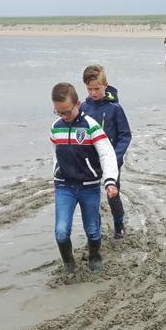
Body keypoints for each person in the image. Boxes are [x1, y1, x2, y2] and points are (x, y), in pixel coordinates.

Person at [49, 82, 119, 273]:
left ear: (78, 104)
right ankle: (68, 262)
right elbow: (56, 155)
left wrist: (110, 181)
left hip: (89, 186)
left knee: (93, 229)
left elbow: (107, 154)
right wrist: (55, 177)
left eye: (67, 112)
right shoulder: (56, 128)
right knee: (61, 231)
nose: (64, 116)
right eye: (58, 112)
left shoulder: (91, 126)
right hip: (64, 186)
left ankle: (95, 255)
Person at [80, 64, 132, 239]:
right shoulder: (83, 109)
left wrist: (114, 157)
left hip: (112, 163)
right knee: (92, 198)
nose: (93, 93)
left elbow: (125, 135)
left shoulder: (115, 109)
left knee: (112, 194)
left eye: (97, 88)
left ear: (105, 85)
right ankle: (96, 230)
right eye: (90, 89)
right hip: (90, 163)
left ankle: (119, 225)